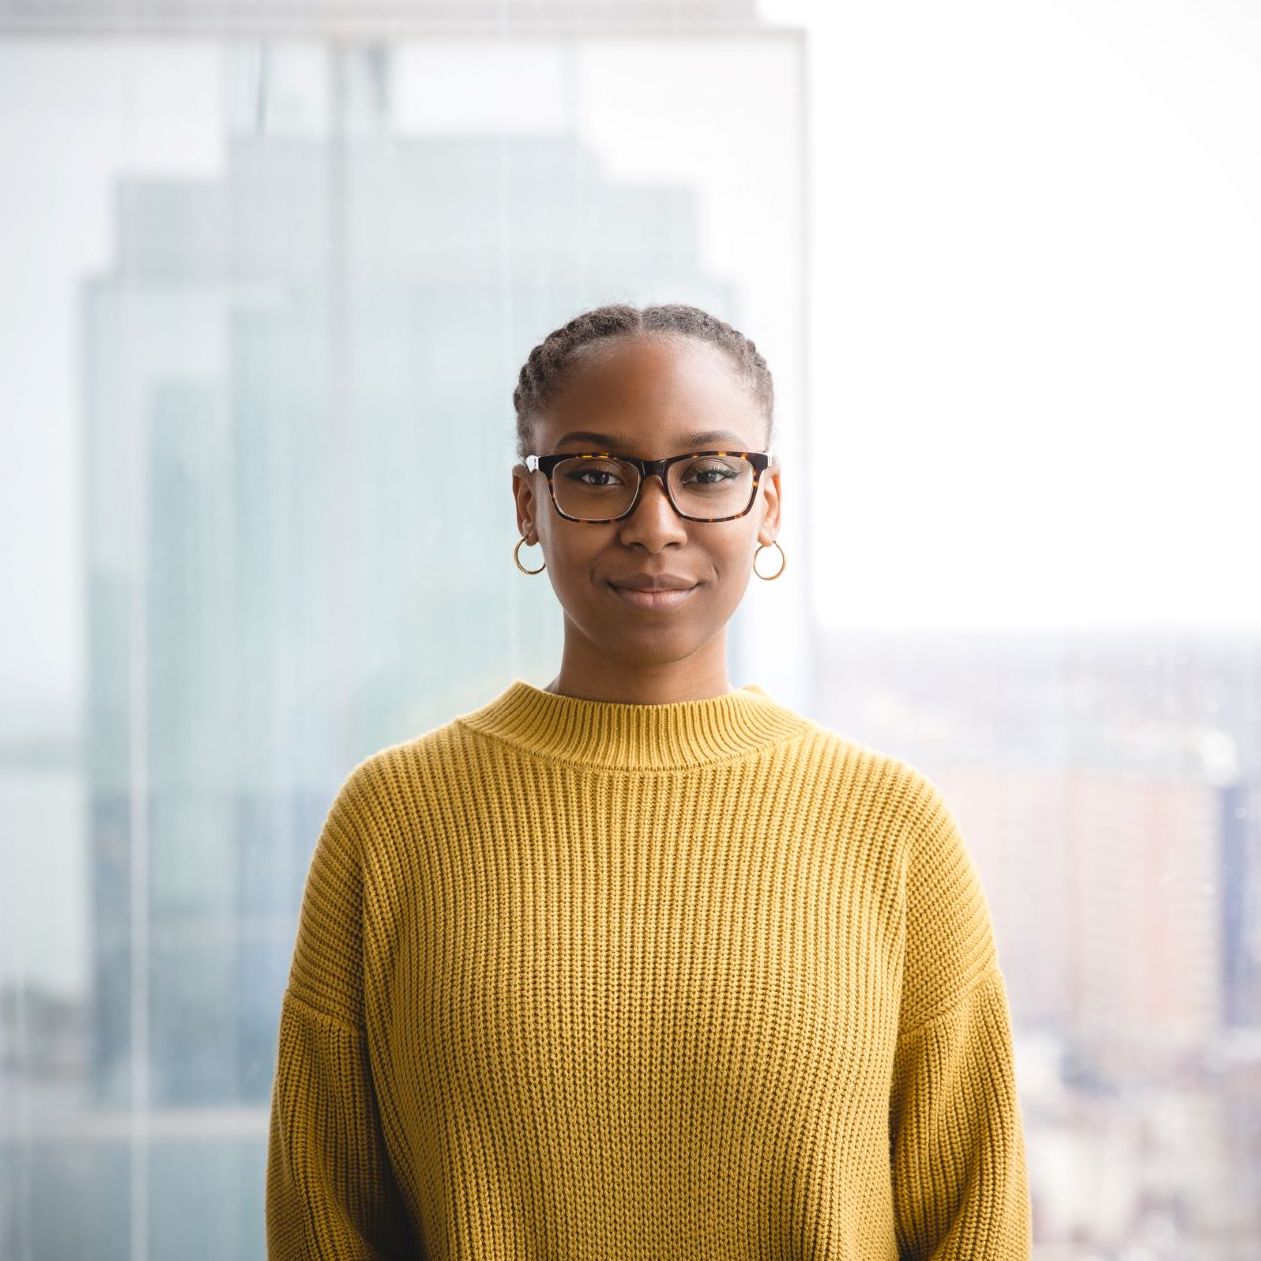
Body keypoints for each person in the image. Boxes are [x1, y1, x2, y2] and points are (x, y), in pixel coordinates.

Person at [265, 302, 1033, 1259]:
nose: (653, 525)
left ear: (770, 503)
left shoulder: (889, 824)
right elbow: (322, 1222)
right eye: (594, 474)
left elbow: (973, 1223)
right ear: (526, 505)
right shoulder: (392, 820)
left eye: (707, 473)